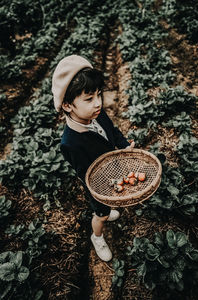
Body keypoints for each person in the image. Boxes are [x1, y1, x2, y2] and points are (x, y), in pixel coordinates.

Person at [52, 55, 135, 262]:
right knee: (102, 214)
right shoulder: (71, 143)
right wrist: (106, 189)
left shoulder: (96, 113)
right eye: (89, 99)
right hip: (97, 186)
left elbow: (112, 131)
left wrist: (124, 145)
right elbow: (86, 174)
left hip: (111, 169)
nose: (98, 103)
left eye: (99, 95)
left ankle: (108, 211)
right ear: (67, 105)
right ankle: (97, 236)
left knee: (109, 209)